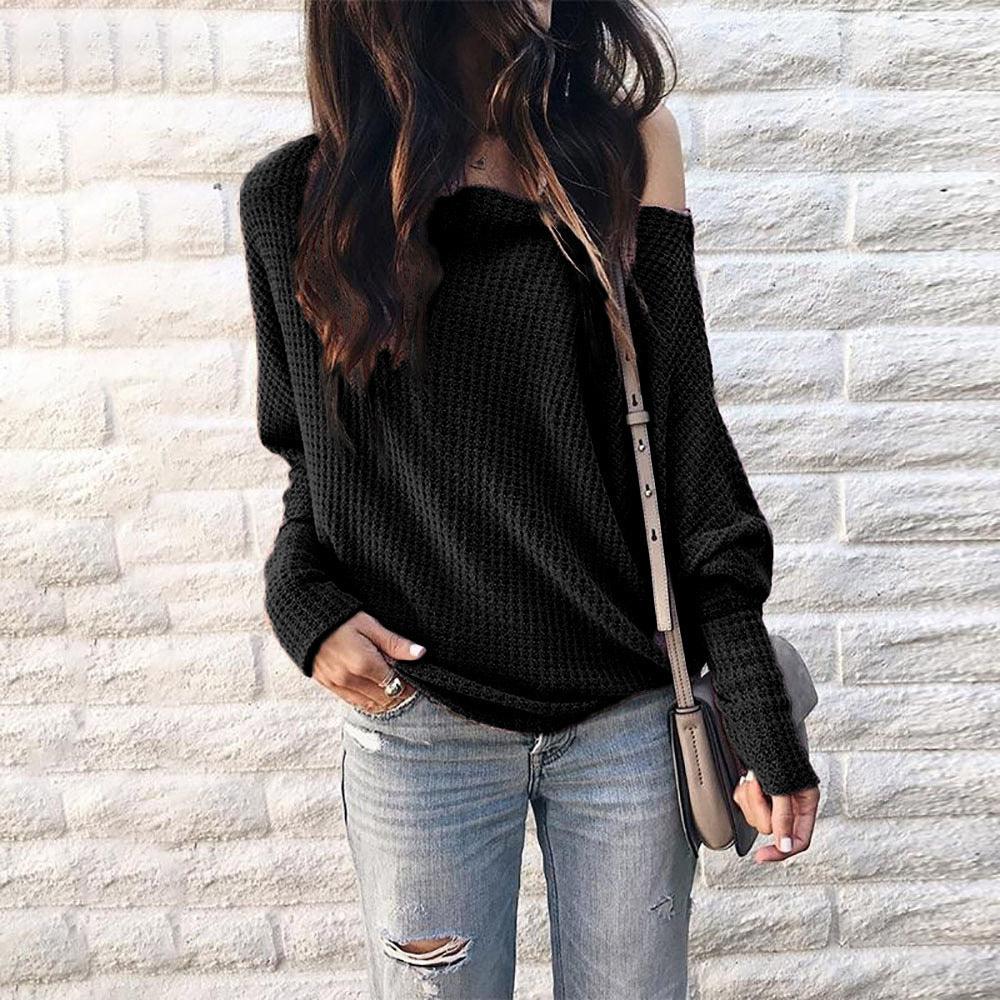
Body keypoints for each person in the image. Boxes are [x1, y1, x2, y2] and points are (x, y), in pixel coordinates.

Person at [237, 2, 821, 997]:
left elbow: (684, 441)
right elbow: (311, 461)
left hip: (626, 717)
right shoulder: (296, 198)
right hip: (420, 724)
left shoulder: (626, 149)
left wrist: (757, 704)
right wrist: (304, 606)